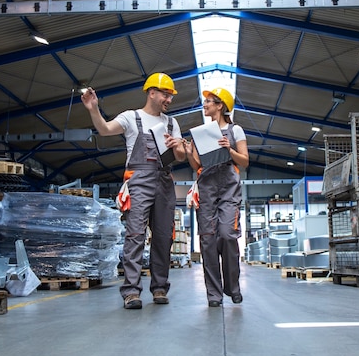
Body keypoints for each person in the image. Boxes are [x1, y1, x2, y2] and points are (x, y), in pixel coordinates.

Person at [81, 72, 185, 309]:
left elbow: (179, 157)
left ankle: (159, 288)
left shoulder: (172, 123)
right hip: (139, 180)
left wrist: (177, 146)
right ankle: (131, 291)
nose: (169, 100)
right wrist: (93, 109)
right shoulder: (131, 117)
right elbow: (105, 129)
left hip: (164, 181)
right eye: (165, 95)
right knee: (135, 235)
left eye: (171, 96)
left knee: (162, 237)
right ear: (151, 92)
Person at [184, 88, 249, 307]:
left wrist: (229, 149)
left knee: (228, 235)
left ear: (220, 105)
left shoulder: (235, 130)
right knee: (208, 241)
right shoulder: (199, 133)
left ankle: (233, 287)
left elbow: (245, 161)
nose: (204, 105)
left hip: (229, 189)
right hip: (207, 188)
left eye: (208, 102)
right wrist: (187, 152)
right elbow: (196, 166)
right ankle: (214, 294)